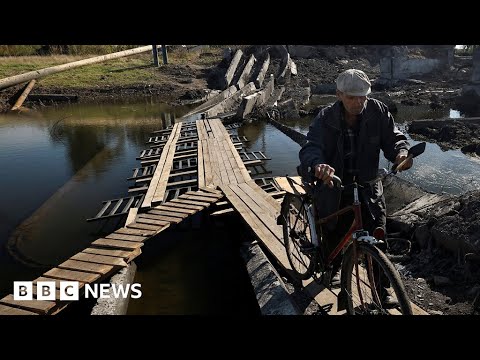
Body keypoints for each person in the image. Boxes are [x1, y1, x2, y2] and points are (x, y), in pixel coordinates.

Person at [299, 68, 412, 306]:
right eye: (352, 96)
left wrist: (401, 153)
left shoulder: (378, 111)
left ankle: (382, 290)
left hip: (368, 186)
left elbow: (394, 139)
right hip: (335, 186)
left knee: (378, 239)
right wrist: (318, 165)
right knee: (334, 232)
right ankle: (333, 268)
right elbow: (311, 147)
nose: (359, 101)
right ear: (339, 94)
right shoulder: (325, 117)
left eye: (363, 96)